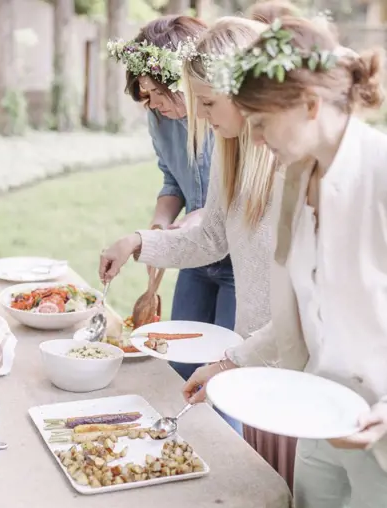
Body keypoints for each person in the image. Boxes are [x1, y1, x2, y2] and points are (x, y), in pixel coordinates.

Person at [200, 15, 387, 508]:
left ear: (310, 106)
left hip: (380, 437)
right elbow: (290, 323)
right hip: (319, 414)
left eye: (260, 122)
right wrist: (230, 361)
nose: (252, 137)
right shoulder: (290, 186)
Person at [101, 16, 278, 439]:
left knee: (235, 403)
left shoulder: (283, 169)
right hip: (248, 332)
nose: (197, 113)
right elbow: (212, 233)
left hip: (281, 355)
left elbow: (297, 308)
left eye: (207, 103)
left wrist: (236, 359)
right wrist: (141, 240)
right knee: (188, 371)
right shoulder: (228, 147)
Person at [107, 16, 236, 382]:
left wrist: (193, 222)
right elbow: (173, 181)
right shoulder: (160, 119)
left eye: (153, 93)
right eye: (142, 95)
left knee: (222, 376)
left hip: (237, 264)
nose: (149, 104)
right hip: (192, 257)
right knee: (179, 364)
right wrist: (160, 227)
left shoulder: (224, 120)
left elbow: (235, 201)